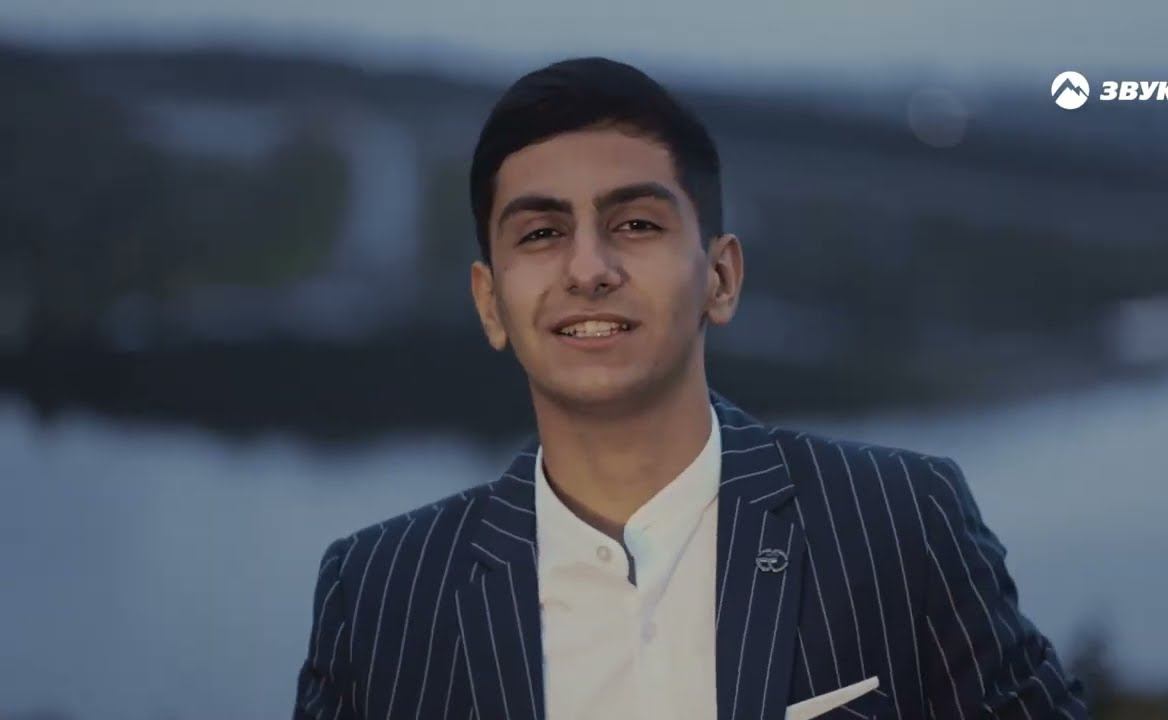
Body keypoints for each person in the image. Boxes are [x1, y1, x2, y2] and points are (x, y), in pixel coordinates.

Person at [293, 56, 1088, 720]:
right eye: (541, 233)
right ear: (490, 302)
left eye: (636, 224)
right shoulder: (380, 593)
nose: (588, 268)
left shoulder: (898, 521)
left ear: (721, 277)